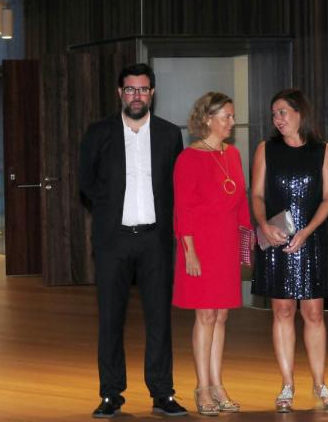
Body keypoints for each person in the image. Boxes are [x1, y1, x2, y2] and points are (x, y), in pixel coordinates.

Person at [79, 63, 188, 418]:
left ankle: (162, 393)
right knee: (110, 320)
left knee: (159, 320)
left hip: (155, 241)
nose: (136, 96)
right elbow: (86, 182)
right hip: (114, 242)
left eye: (143, 89)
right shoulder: (98, 133)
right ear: (119, 93)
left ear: (152, 93)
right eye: (130, 89)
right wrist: (110, 211)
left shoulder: (171, 135)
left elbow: (177, 188)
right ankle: (111, 394)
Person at [251, 89, 328, 413]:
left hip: (310, 239)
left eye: (283, 112)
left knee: (314, 313)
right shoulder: (266, 149)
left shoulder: (323, 150)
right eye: (274, 114)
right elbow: (257, 194)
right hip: (276, 239)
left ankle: (320, 384)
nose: (277, 119)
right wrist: (263, 225)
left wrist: (308, 230)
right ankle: (287, 385)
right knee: (283, 312)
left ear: (300, 113)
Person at [172, 92, 252, 415]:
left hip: (226, 243)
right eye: (226, 117)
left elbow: (240, 199)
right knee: (205, 315)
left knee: (222, 314)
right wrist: (189, 251)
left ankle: (218, 384)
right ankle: (202, 387)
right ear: (207, 119)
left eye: (232, 116)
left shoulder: (231, 154)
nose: (232, 122)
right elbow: (183, 209)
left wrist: (246, 240)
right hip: (200, 245)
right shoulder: (188, 158)